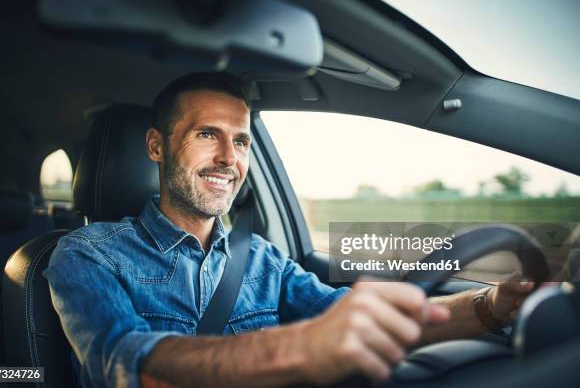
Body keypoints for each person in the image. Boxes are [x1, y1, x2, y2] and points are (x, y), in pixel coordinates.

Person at [44, 72, 537, 388]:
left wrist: (489, 308)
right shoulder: (88, 254)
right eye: (206, 134)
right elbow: (126, 365)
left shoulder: (260, 257)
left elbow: (348, 315)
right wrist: (303, 348)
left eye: (240, 141)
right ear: (157, 147)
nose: (228, 159)